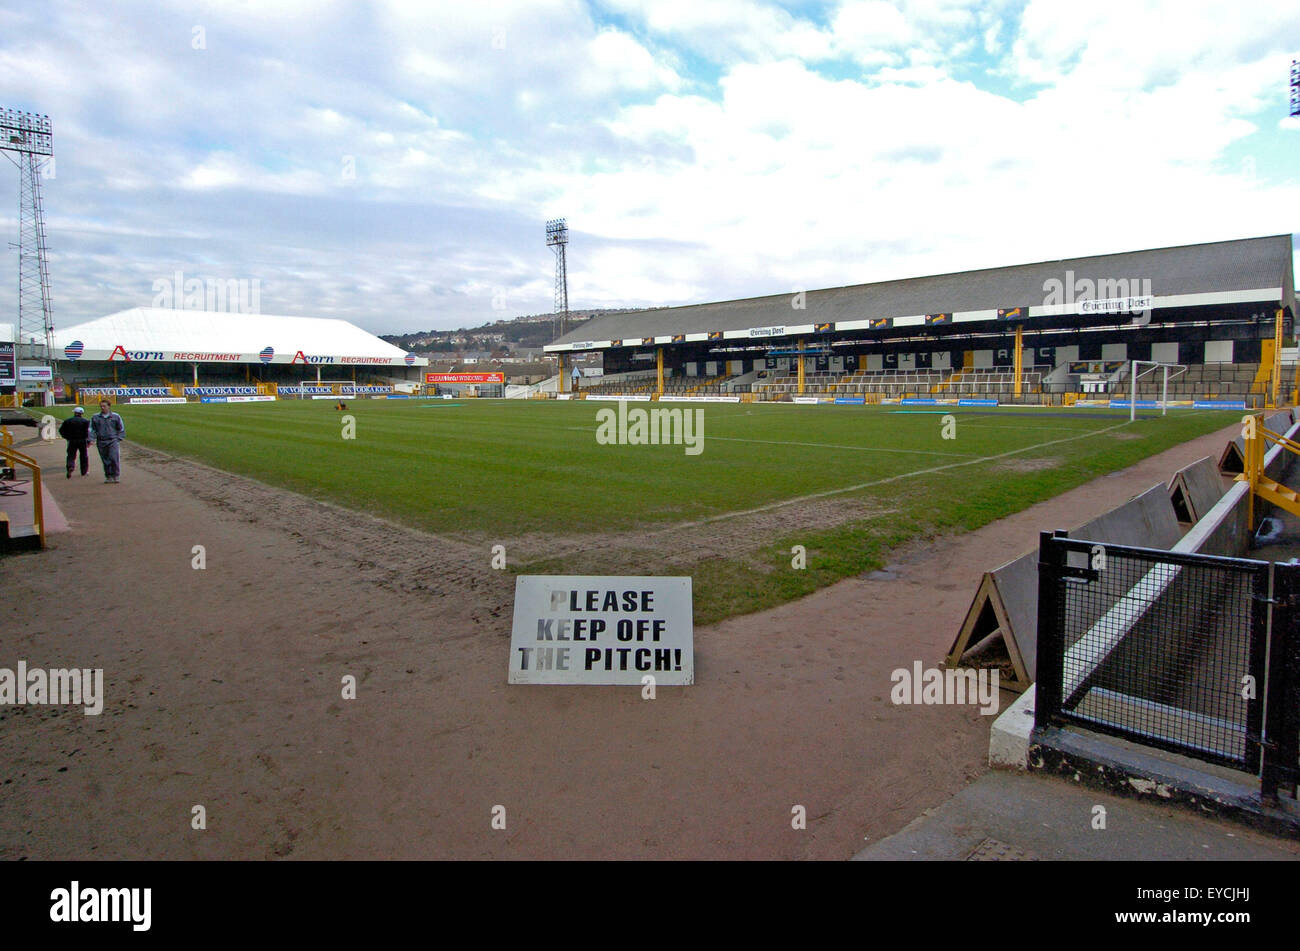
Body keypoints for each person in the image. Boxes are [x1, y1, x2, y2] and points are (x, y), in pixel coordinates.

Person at [88, 399, 126, 483]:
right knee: (105, 460)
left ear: (109, 406)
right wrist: (91, 439)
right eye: (101, 406)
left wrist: (119, 438)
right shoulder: (95, 417)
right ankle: (108, 476)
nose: (102, 408)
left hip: (112, 440)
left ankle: (116, 475)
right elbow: (91, 429)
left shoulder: (116, 416)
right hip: (101, 441)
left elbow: (121, 428)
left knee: (114, 458)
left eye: (104, 406)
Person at [58, 406, 92, 478]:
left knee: (71, 455)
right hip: (82, 440)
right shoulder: (86, 421)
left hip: (72, 440)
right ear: (81, 413)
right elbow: (88, 432)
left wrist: (66, 437)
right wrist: (88, 441)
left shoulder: (68, 421)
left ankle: (70, 466)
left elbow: (61, 430)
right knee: (84, 456)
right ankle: (84, 471)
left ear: (74, 412)